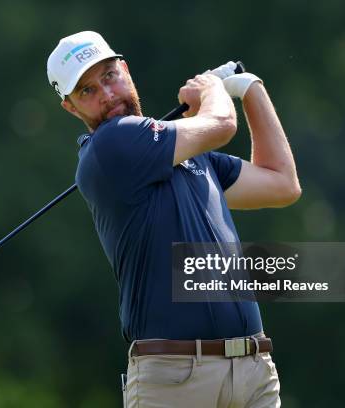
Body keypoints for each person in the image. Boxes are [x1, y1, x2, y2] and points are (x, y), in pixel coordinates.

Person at [47, 31, 300, 408]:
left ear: (126, 70)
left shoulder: (190, 153)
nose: (107, 94)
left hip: (252, 371)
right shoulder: (112, 145)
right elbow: (221, 125)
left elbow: (282, 184)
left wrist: (250, 88)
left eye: (109, 76)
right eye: (87, 91)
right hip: (175, 380)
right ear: (71, 107)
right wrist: (214, 87)